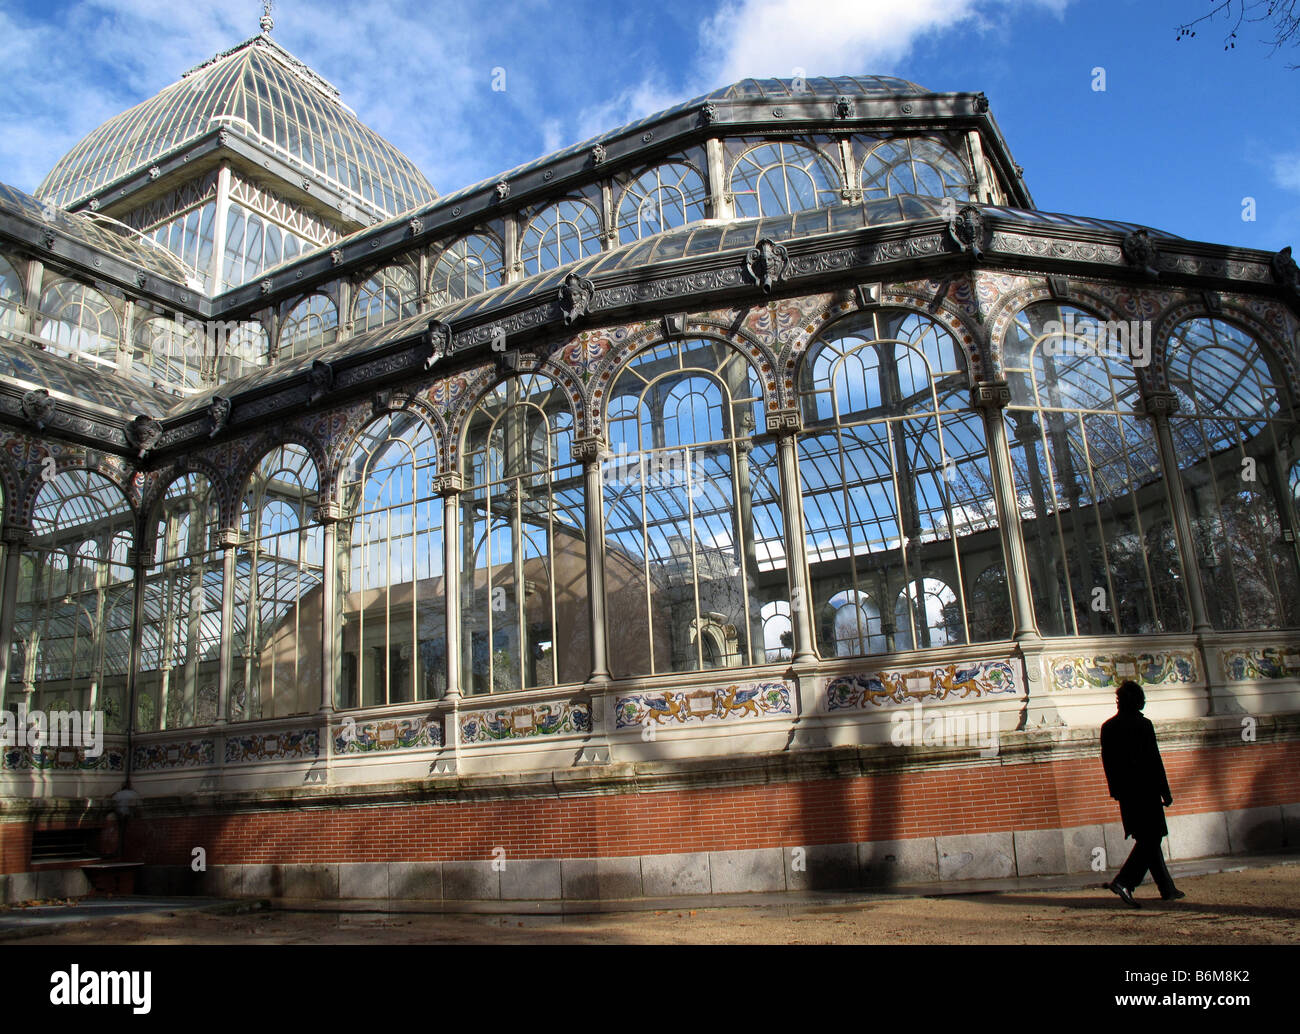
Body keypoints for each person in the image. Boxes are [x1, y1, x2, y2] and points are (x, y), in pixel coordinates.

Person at [1099, 680, 1184, 906]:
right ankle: (1125, 881)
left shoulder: (1108, 728)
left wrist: (1115, 790)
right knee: (1151, 838)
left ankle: (1167, 888)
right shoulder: (1143, 725)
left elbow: (1108, 763)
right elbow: (1155, 761)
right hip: (1146, 791)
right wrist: (1164, 790)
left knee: (1147, 838)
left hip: (1127, 793)